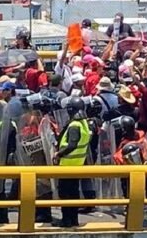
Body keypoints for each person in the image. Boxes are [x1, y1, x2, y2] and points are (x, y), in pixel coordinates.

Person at [53, 96, 91, 228]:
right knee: (74, 194)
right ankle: (73, 220)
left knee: (65, 195)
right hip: (78, 165)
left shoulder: (74, 125)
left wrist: (58, 154)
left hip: (67, 165)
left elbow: (72, 145)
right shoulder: (84, 123)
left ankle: (66, 220)